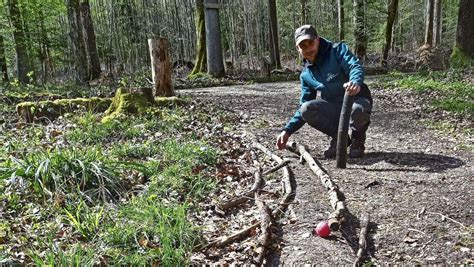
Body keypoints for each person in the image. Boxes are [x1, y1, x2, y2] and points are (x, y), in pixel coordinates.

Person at [276, 25, 372, 158]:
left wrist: (355, 81)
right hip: (335, 107)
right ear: (298, 49)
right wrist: (287, 131)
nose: (308, 48)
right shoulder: (306, 75)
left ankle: (358, 141)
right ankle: (340, 139)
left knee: (358, 110)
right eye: (303, 46)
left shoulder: (337, 50)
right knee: (306, 109)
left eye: (311, 43)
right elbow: (304, 106)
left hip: (356, 98)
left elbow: (354, 65)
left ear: (318, 40)